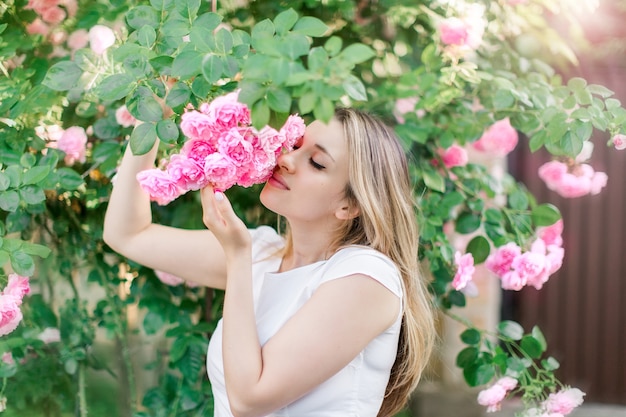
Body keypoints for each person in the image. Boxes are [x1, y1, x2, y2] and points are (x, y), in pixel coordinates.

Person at [103, 107, 436, 417]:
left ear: (349, 206)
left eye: (317, 163)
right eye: (294, 145)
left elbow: (250, 400)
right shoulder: (264, 254)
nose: (288, 160)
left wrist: (236, 257)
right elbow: (127, 234)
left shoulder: (367, 278)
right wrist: (153, 115)